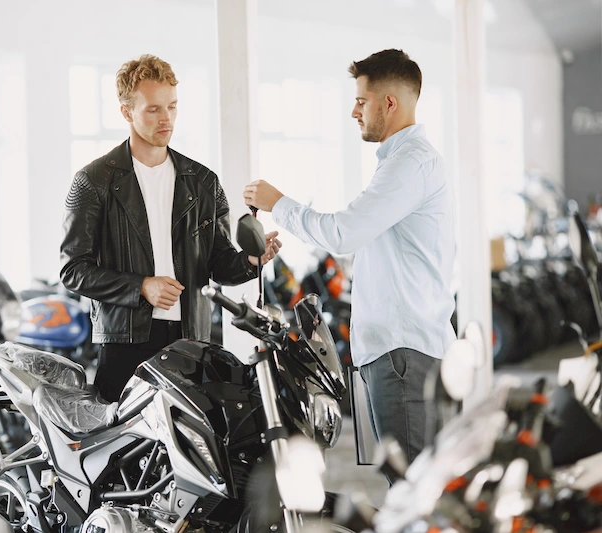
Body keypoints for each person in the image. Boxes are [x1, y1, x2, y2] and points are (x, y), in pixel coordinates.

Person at [243, 49, 456, 471]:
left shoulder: (410, 163)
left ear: (389, 103)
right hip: (399, 352)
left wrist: (277, 203)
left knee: (414, 489)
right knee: (409, 484)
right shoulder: (402, 162)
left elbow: (343, 232)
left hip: (404, 355)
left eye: (361, 100)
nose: (354, 111)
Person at [60, 54, 281, 403]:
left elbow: (218, 263)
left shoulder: (203, 182)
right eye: (153, 109)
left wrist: (251, 261)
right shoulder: (93, 181)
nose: (167, 118)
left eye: (173, 107)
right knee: (124, 452)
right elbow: (73, 271)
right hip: (124, 343)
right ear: (126, 111)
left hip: (192, 339)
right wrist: (141, 286)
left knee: (194, 452)